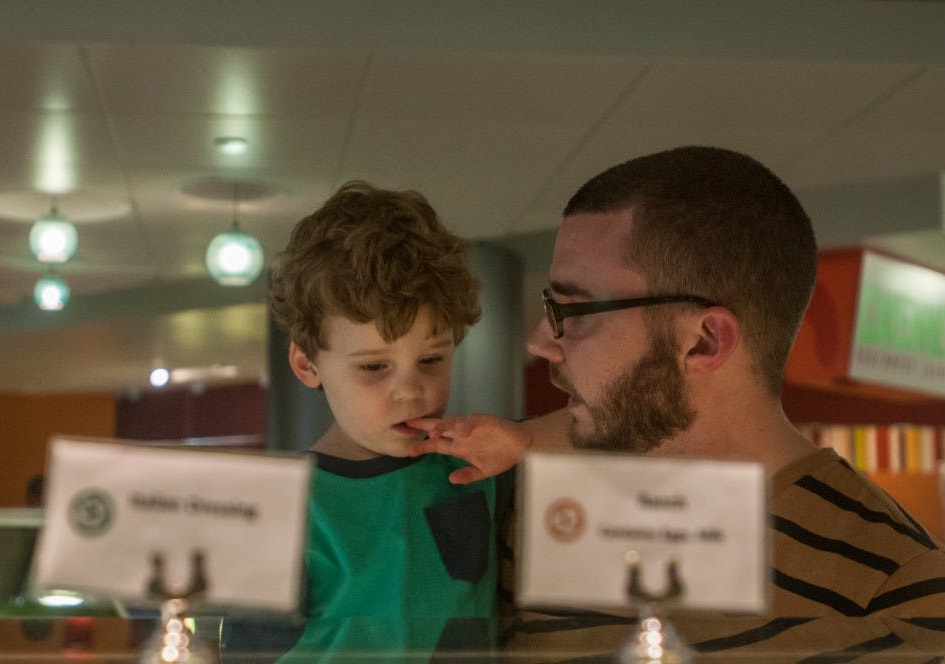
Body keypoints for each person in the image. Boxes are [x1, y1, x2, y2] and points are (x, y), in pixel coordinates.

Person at [409, 146, 945, 620]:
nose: (538, 341)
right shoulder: (512, 494)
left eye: (574, 310)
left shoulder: (894, 592)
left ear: (705, 341)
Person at [267, 180, 510, 655]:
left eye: (432, 359)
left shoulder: (484, 467)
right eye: (374, 367)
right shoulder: (283, 505)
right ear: (307, 365)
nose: (410, 390)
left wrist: (523, 438)